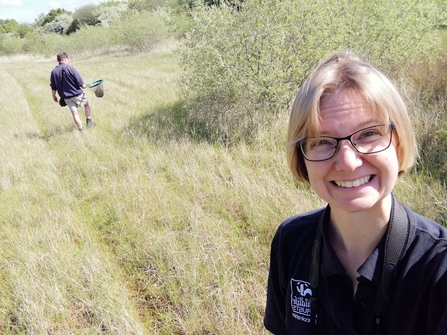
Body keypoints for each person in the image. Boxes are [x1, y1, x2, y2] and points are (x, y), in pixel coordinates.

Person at [264, 50, 447, 335]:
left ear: (399, 143)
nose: (348, 163)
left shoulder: (439, 268)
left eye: (368, 134)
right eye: (322, 141)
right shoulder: (290, 242)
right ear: (301, 158)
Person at [50, 52, 96, 132]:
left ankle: (81, 130)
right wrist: (85, 86)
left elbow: (53, 87)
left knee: (74, 113)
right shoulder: (71, 69)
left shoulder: (53, 72)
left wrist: (54, 97)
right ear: (64, 59)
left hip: (66, 98)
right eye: (67, 59)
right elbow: (81, 84)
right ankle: (88, 121)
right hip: (77, 94)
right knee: (87, 104)